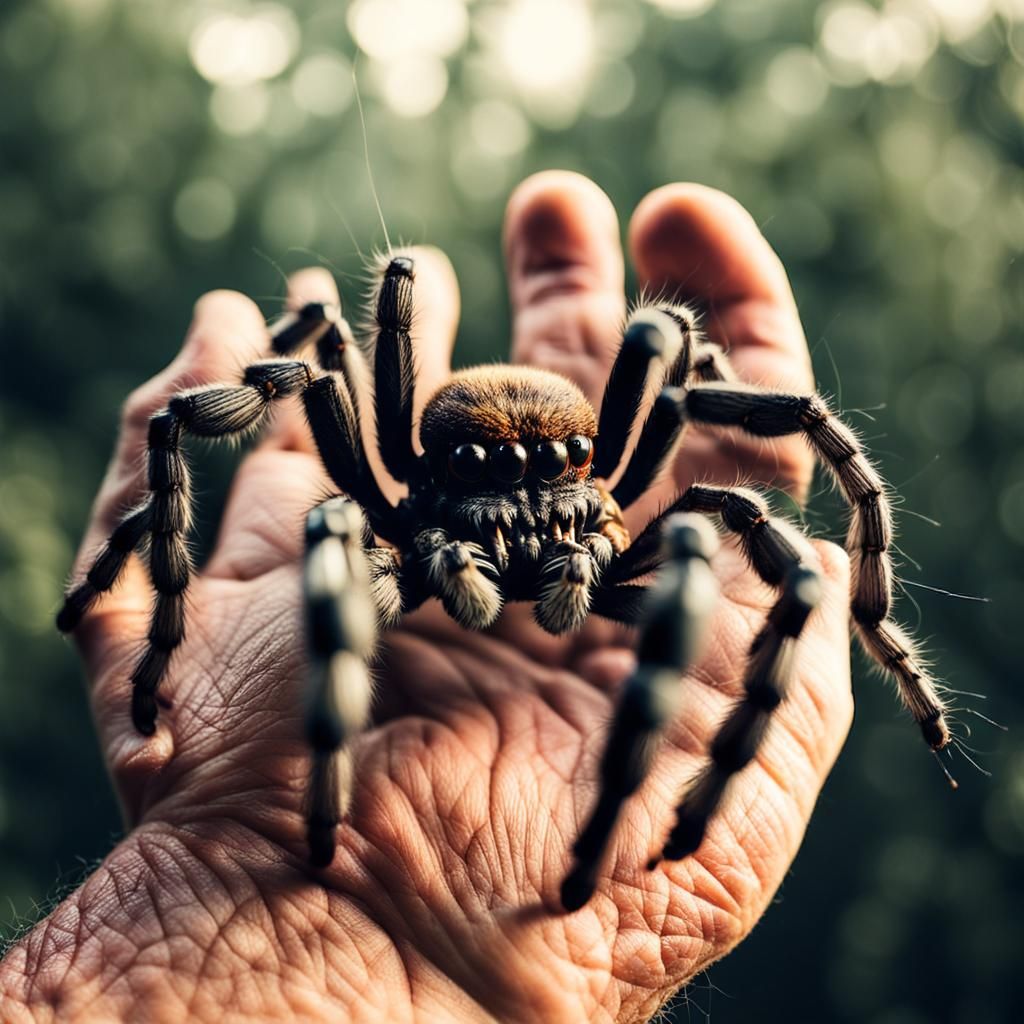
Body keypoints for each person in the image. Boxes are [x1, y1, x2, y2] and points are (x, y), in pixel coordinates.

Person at [0, 173, 852, 1023]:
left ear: (592, 468)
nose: (521, 529)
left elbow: (733, 405)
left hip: (550, 496)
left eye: (554, 486)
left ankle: (613, 827)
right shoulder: (387, 520)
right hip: (430, 521)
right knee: (333, 516)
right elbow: (186, 424)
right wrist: (179, 659)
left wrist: (862, 621)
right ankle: (325, 807)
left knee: (731, 512)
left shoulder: (632, 504)